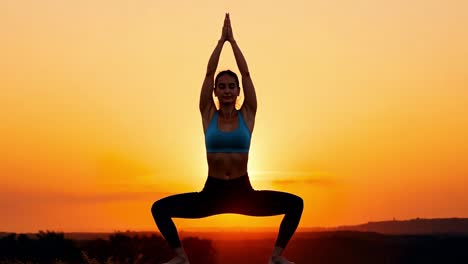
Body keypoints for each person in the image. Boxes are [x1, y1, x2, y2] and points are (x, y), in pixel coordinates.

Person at [151, 13, 303, 264]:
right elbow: (209, 73)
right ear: (216, 92)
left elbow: (247, 74)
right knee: (159, 208)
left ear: (238, 91)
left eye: (231, 86)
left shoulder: (249, 114)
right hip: (211, 193)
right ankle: (180, 257)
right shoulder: (208, 114)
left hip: (244, 192)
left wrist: (234, 42)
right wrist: (220, 42)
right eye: (222, 87)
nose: (227, 90)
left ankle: (276, 256)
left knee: (296, 204)